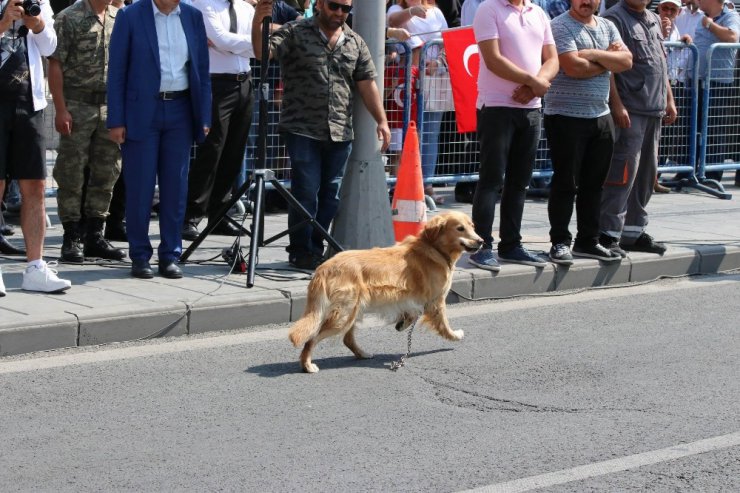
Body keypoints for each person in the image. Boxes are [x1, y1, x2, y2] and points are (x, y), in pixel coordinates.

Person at [252, 0, 391, 270]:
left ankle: (317, 246)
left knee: (330, 196)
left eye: (345, 9)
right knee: (306, 191)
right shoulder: (294, 31)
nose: (339, 12)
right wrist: (258, 20)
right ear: (319, 5)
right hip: (301, 128)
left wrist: (382, 120)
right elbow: (261, 52)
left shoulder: (354, 41)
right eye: (334, 6)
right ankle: (301, 250)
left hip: (339, 131)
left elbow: (367, 83)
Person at [107, 0, 211, 279]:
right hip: (142, 113)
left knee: (175, 188)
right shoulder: (130, 16)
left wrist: (204, 117)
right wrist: (116, 119)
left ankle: (170, 255)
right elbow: (116, 71)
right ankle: (139, 255)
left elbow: (201, 67)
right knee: (140, 188)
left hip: (180, 110)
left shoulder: (192, 16)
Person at [465, 0, 559, 271]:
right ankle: (481, 246)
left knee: (519, 181)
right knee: (491, 180)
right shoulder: (489, 9)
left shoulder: (538, 12)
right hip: (496, 107)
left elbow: (552, 59)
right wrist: (534, 82)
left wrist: (534, 87)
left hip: (530, 109)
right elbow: (493, 59)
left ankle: (511, 244)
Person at [543, 0, 632, 265]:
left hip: (600, 116)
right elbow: (573, 67)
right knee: (565, 183)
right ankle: (560, 241)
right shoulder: (559, 26)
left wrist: (592, 53)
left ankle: (587, 240)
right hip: (565, 116)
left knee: (594, 184)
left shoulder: (608, 25)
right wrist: (607, 59)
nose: (587, 2)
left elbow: (626, 61)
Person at [0, 0, 72, 294]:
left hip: (30, 102)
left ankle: (35, 268)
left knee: (36, 187)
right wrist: (4, 23)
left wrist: (38, 24)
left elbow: (50, 46)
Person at [48, 0, 126, 264]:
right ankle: (72, 236)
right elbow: (55, 64)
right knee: (71, 171)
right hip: (77, 104)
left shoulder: (120, 17)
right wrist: (60, 108)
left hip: (109, 106)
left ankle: (95, 234)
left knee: (107, 171)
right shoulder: (68, 17)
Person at [599, 0, 678, 257]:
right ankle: (609, 233)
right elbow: (609, 68)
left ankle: (633, 232)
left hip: (653, 109)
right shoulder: (614, 18)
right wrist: (617, 104)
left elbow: (660, 63)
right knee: (623, 173)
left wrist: (669, 99)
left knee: (646, 174)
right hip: (630, 109)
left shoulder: (653, 19)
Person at [181, 0, 256, 241]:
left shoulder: (248, 9)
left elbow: (260, 49)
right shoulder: (205, 3)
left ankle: (220, 215)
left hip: (244, 82)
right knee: (211, 149)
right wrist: (243, 44)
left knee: (234, 153)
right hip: (216, 83)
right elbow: (222, 39)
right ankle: (191, 216)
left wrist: (233, 46)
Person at [387, 0, 448, 204]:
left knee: (431, 133)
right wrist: (412, 11)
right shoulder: (397, 9)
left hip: (434, 78)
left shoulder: (437, 13)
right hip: (409, 79)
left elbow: (448, 40)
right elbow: (392, 21)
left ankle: (427, 184)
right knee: (406, 133)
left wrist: (438, 62)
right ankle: (404, 185)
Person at [693, 0, 739, 178]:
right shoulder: (701, 17)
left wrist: (711, 25)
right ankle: (694, 170)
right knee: (696, 128)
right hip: (698, 80)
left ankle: (713, 174)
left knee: (714, 129)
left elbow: (733, 37)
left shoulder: (730, 16)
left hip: (718, 81)